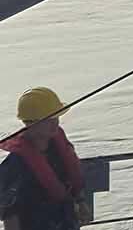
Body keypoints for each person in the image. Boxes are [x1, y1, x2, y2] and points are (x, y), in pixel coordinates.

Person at [1, 89, 83, 230]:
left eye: (56, 118)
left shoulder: (59, 148)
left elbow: (72, 179)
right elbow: (9, 213)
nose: (55, 124)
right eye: (48, 120)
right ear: (29, 123)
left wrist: (81, 202)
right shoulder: (15, 164)